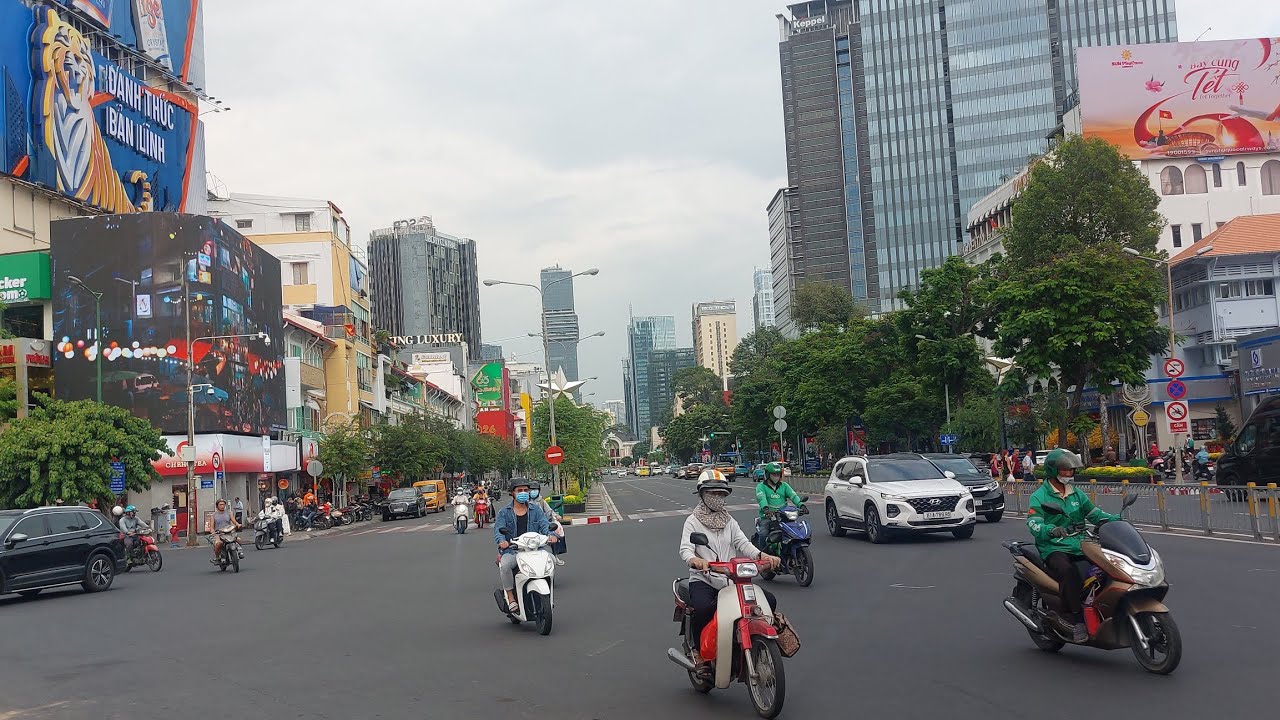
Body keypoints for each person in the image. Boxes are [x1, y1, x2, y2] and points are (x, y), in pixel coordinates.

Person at [679, 471, 781, 665]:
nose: (717, 498)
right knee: (702, 609)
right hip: (704, 579)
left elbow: (743, 544)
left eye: (721, 494)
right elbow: (685, 549)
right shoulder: (692, 521)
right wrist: (695, 560)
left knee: (769, 601)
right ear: (702, 494)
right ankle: (700, 653)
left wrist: (763, 556)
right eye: (712, 493)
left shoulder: (729, 522)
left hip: (731, 579)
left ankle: (751, 641)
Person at [1026, 449, 1118, 642]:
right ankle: (1075, 618)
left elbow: (1095, 514)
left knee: (1109, 565)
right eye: (1065, 470)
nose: (1069, 474)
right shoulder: (1039, 496)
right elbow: (1033, 523)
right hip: (1054, 547)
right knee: (1069, 571)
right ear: (1053, 471)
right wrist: (1050, 529)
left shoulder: (1076, 494)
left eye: (1071, 470)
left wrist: (1117, 521)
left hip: (1081, 543)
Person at [494, 480, 558, 612]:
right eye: (519, 491)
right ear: (513, 493)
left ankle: (548, 594)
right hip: (512, 550)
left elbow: (545, 525)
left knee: (551, 559)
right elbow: (498, 530)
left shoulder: (536, 510)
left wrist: (551, 535)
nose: (523, 493)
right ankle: (511, 597)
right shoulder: (504, 512)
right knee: (505, 565)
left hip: (535, 548)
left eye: (525, 490)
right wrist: (502, 541)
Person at [753, 461, 804, 551]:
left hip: (784, 516)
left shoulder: (784, 486)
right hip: (768, 517)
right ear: (768, 474)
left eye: (778, 474)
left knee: (798, 531)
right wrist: (766, 509)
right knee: (763, 534)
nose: (776, 476)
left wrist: (801, 505)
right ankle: (762, 555)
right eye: (773, 474)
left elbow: (793, 496)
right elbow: (762, 499)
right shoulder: (761, 487)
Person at [529, 484, 566, 566]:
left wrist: (556, 515)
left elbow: (549, 511)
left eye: (535, 489)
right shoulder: (525, 502)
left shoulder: (542, 501)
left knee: (555, 535)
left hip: (543, 524)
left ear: (539, 490)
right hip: (530, 526)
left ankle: (555, 556)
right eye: (531, 490)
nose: (533, 491)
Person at [206, 498, 242, 565]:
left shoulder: (229, 513)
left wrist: (238, 524)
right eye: (220, 505)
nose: (222, 506)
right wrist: (213, 532)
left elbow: (234, 521)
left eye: (223, 504)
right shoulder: (213, 515)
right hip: (219, 533)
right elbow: (211, 527)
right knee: (218, 544)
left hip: (229, 531)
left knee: (239, 539)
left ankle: (239, 551)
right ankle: (217, 558)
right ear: (217, 506)